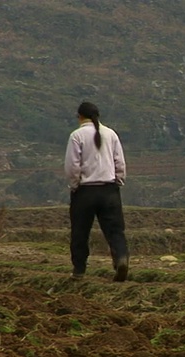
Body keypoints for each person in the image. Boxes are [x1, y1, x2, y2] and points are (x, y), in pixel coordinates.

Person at [64, 101, 129, 282]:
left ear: (80, 116)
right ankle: (121, 259)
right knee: (115, 230)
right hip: (109, 190)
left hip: (85, 191)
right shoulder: (111, 134)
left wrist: (75, 185)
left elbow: (72, 166)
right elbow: (120, 163)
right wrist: (118, 182)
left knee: (80, 231)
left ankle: (79, 270)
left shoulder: (77, 136)